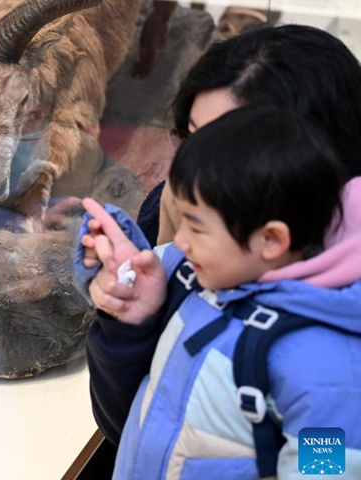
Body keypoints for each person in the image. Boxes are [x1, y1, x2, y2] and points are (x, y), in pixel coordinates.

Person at [75, 105, 361, 479]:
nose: (180, 241)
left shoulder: (323, 367)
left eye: (196, 228)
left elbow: (327, 471)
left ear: (271, 240)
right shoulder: (212, 288)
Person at [137, 23, 361, 247]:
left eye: (223, 152)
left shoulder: (344, 243)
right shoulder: (175, 201)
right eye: (191, 135)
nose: (192, 167)